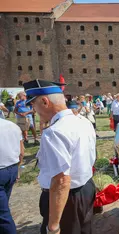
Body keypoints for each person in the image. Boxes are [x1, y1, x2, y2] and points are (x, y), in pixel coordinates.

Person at [23, 79, 96, 234]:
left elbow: (61, 180)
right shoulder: (83, 121)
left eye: (33, 104)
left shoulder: (54, 132)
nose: (33, 110)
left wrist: (53, 226)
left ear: (44, 101)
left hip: (66, 199)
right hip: (85, 189)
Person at [0, 118, 24, 234]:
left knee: (3, 214)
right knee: (3, 206)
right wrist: (18, 168)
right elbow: (22, 151)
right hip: (12, 169)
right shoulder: (13, 126)